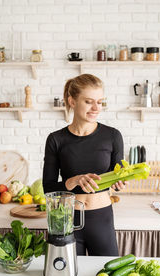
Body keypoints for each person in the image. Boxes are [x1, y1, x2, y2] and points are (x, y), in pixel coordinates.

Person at [43, 73, 125, 256]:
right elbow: (48, 188)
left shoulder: (113, 136)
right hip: (67, 218)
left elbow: (118, 177)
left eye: (100, 102)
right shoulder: (56, 139)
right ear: (72, 101)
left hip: (101, 218)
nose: (96, 108)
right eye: (89, 101)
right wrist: (73, 181)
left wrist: (120, 183)